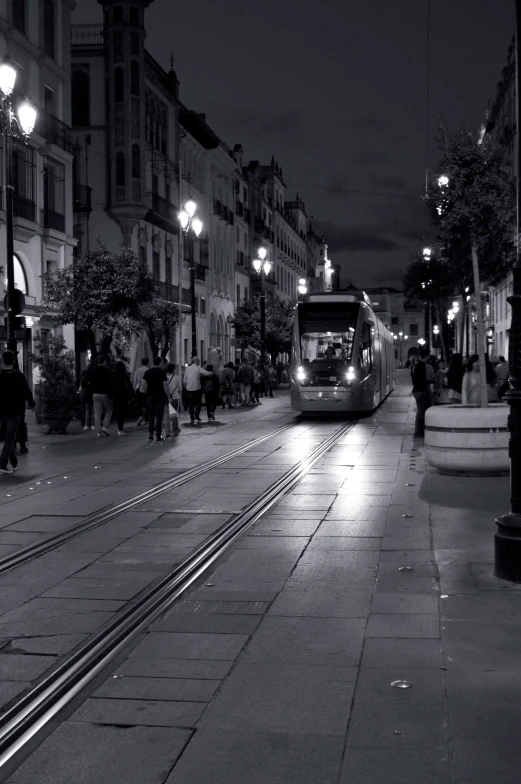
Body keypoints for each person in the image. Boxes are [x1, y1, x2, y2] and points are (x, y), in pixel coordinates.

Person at [0, 350, 35, 474]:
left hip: (2, 411)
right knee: (10, 438)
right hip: (15, 410)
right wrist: (32, 403)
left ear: (2, 361)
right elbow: (26, 391)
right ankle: (2, 464)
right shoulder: (18, 375)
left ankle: (14, 462)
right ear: (14, 361)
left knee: (7, 437)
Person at [411, 348, 436, 438]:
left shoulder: (416, 365)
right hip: (421, 391)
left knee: (420, 411)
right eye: (428, 356)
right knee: (421, 411)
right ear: (426, 356)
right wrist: (431, 380)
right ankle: (418, 431)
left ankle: (419, 431)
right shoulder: (423, 366)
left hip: (416, 390)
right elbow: (423, 380)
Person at [143, 356, 169, 441]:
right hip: (159, 397)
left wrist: (146, 392)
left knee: (150, 416)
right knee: (159, 417)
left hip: (150, 396)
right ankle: (158, 435)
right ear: (160, 363)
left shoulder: (147, 372)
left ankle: (150, 434)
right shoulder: (162, 372)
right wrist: (168, 396)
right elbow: (165, 385)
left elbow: (143, 384)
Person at [184, 356, 212, 424]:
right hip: (197, 388)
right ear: (196, 361)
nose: (199, 362)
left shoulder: (187, 369)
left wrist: (186, 385)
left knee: (191, 403)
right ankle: (196, 415)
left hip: (189, 388)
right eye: (198, 361)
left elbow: (185, 379)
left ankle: (191, 417)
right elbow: (205, 373)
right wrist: (211, 372)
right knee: (198, 402)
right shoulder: (198, 368)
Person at [91, 355, 113, 437]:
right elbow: (109, 384)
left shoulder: (93, 371)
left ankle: (98, 432)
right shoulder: (106, 371)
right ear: (104, 361)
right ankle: (105, 426)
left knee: (97, 413)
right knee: (109, 409)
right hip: (104, 393)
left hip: (95, 394)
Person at [111, 361, 132, 436]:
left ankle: (119, 427)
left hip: (116, 397)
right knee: (122, 412)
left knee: (118, 412)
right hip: (124, 396)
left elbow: (111, 387)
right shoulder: (125, 376)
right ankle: (120, 428)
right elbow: (129, 387)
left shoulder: (113, 377)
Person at [164, 362, 181, 438]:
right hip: (175, 397)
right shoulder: (176, 377)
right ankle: (175, 429)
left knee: (167, 415)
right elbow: (179, 388)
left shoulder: (163, 377)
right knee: (174, 414)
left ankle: (168, 430)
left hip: (166, 398)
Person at [134, 357, 149, 427]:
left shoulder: (138, 370)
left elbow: (135, 380)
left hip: (139, 387)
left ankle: (140, 416)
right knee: (147, 405)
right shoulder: (148, 370)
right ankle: (146, 420)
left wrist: (134, 388)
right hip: (146, 388)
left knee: (139, 404)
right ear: (148, 363)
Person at [80, 364, 94, 431]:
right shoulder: (93, 375)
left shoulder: (85, 375)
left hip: (86, 394)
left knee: (87, 410)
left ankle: (86, 425)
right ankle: (93, 425)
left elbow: (82, 385)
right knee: (93, 411)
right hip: (92, 393)